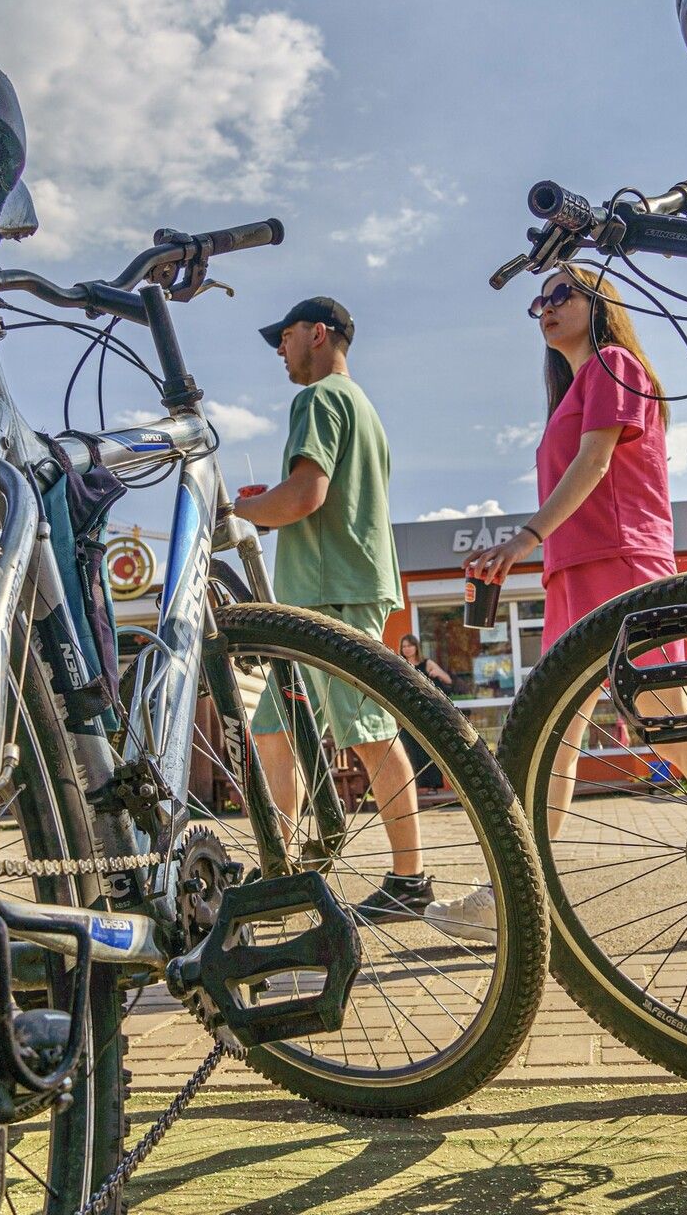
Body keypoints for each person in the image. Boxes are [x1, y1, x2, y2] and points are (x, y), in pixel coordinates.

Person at [427, 264, 687, 945]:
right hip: (573, 576)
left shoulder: (614, 363)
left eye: (561, 293)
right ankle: (514, 897)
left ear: (600, 302)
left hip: (624, 568)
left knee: (674, 729)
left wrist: (524, 537)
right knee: (551, 741)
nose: (545, 306)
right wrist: (534, 546)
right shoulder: (574, 388)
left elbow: (596, 464)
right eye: (539, 301)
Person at [232, 297, 432, 923]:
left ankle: (410, 879)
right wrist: (267, 501)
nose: (279, 351)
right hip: (333, 587)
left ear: (318, 334)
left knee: (370, 734)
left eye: (285, 337)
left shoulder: (317, 401)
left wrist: (237, 513)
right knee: (273, 730)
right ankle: (282, 870)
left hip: (331, 592)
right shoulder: (364, 409)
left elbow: (305, 496)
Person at [396, 633, 450, 793]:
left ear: (416, 647)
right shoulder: (399, 664)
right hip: (408, 714)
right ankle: (417, 788)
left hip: (427, 714)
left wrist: (437, 674)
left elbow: (448, 680)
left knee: (429, 750)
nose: (407, 649)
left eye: (409, 645)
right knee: (411, 749)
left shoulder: (426, 664)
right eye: (404, 646)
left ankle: (433, 786)